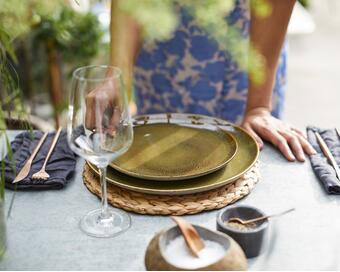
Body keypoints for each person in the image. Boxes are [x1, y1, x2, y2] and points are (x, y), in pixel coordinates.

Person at [87, 0, 316, 162]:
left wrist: (258, 106)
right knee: (163, 163)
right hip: (162, 53)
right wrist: (117, 78)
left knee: (247, 168)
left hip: (246, 53)